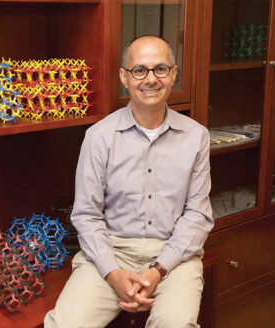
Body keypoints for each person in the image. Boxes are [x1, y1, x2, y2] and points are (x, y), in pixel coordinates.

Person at [44, 35, 214, 328]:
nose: (150, 79)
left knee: (175, 324)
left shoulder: (196, 136)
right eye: (140, 70)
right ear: (125, 77)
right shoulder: (99, 136)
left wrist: (157, 271)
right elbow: (86, 215)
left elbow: (197, 215)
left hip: (174, 256)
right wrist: (113, 273)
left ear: (173, 74)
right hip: (111, 251)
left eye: (160, 69)